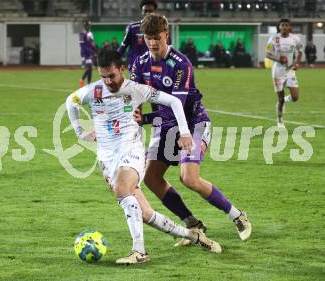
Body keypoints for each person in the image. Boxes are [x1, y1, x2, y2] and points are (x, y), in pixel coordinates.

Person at [66, 49, 221, 265]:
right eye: (103, 76)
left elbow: (175, 102)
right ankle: (192, 235)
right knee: (145, 214)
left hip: (131, 151)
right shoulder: (93, 91)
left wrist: (185, 132)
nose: (108, 81)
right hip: (107, 159)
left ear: (122, 69)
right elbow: (70, 101)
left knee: (122, 190)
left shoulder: (138, 90)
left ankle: (139, 251)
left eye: (112, 75)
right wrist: (80, 133)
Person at [131, 13, 252, 247]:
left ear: (166, 34)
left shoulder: (180, 64)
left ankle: (237, 216)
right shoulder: (139, 62)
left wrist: (143, 118)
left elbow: (175, 107)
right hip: (164, 126)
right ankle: (192, 224)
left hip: (192, 123)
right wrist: (134, 114)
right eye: (148, 38)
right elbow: (134, 96)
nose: (153, 42)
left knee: (189, 178)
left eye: (156, 37)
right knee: (151, 178)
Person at [266, 18, 303, 128]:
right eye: (283, 25)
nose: (285, 27)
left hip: (290, 71)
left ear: (290, 27)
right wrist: (278, 58)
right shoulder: (274, 38)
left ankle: (283, 102)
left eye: (287, 25)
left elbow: (300, 52)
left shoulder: (295, 39)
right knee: (280, 98)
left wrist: (297, 63)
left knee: (295, 97)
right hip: (277, 72)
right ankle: (280, 119)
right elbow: (268, 54)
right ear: (279, 27)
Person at [117, 0, 157, 72]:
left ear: (154, 12)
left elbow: (168, 49)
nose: (148, 13)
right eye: (145, 11)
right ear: (142, 12)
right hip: (135, 68)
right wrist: (113, 60)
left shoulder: (160, 29)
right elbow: (123, 47)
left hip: (153, 69)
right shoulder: (132, 27)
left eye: (150, 11)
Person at [78, 21, 97, 88]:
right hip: (86, 52)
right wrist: (83, 55)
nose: (88, 27)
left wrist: (95, 50)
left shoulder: (90, 33)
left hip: (90, 52)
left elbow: (92, 43)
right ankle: (82, 80)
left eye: (89, 25)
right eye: (87, 25)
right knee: (89, 67)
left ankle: (89, 84)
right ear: (85, 26)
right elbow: (82, 45)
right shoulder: (82, 34)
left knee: (90, 68)